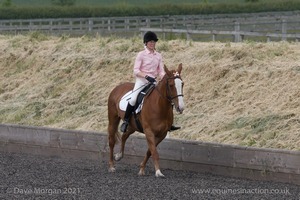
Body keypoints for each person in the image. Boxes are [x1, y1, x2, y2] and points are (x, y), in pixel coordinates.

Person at [120, 31, 181, 133]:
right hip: (142, 81)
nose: (152, 44)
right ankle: (126, 121)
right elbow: (136, 70)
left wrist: (165, 77)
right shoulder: (141, 55)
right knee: (133, 99)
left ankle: (169, 123)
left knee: (167, 97)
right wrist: (147, 76)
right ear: (146, 43)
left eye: (154, 42)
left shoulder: (158, 55)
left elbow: (161, 71)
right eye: (150, 42)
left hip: (153, 82)